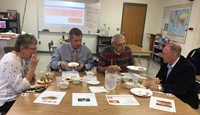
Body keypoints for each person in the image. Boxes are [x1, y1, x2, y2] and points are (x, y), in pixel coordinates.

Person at [147, 43, 199, 109]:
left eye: (164, 54)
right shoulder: (166, 62)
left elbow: (180, 89)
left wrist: (159, 87)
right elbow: (159, 76)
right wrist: (156, 80)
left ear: (173, 56)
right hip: (169, 95)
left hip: (184, 100)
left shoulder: (187, 67)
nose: (162, 55)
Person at [0, 34, 39, 113]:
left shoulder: (21, 59)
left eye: (36, 48)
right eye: (32, 49)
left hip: (17, 96)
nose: (35, 52)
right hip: (7, 101)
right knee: (37, 109)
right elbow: (20, 88)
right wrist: (32, 68)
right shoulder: (10, 60)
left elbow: (26, 79)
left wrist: (30, 73)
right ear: (22, 49)